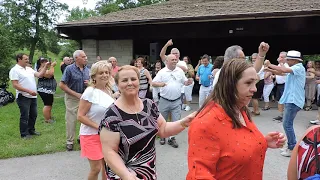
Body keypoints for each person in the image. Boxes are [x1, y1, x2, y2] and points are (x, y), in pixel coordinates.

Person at [187, 59, 286, 180]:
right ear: (230, 84)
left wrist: (262, 143)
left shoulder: (240, 109)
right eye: (248, 83)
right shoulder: (205, 123)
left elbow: (234, 147)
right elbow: (199, 174)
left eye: (255, 83)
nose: (254, 89)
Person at [98, 65, 196, 180]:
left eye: (133, 79)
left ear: (139, 82)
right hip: (123, 176)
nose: (130, 83)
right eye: (124, 80)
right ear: (118, 85)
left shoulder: (149, 105)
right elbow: (109, 152)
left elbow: (163, 129)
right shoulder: (111, 115)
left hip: (148, 172)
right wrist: (126, 175)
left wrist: (184, 122)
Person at [77, 61, 115, 180]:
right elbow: (80, 116)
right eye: (101, 73)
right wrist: (99, 126)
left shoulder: (109, 91)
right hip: (90, 135)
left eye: (107, 72)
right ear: (94, 76)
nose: (104, 75)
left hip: (106, 136)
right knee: (96, 168)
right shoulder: (90, 92)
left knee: (107, 166)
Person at [264, 50, 306, 157]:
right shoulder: (294, 68)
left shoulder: (298, 67)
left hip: (293, 100)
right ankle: (291, 146)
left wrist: (272, 64)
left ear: (293, 60)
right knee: (287, 124)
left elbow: (283, 69)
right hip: (292, 99)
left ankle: (292, 147)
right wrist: (269, 68)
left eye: (288, 59)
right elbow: (281, 72)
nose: (286, 60)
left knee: (287, 124)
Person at [152, 54, 193, 148]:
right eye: (172, 60)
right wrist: (160, 84)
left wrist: (188, 82)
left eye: (175, 60)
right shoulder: (162, 72)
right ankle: (162, 136)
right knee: (162, 120)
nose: (175, 61)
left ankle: (171, 138)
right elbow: (153, 83)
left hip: (176, 101)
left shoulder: (180, 71)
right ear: (167, 61)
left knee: (176, 121)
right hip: (164, 100)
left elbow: (184, 82)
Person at [9, 53, 50, 139]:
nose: (28, 60)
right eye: (26, 59)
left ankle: (31, 130)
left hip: (32, 96)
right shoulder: (15, 70)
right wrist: (28, 91)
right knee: (25, 116)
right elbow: (15, 85)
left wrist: (45, 67)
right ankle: (24, 134)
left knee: (33, 114)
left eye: (27, 59)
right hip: (23, 96)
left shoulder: (29, 69)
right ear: (19, 60)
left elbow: (39, 75)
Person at [59, 50, 90, 151]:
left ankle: (81, 137)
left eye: (86, 56)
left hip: (85, 97)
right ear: (76, 58)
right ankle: (69, 141)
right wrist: (76, 94)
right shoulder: (69, 69)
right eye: (83, 56)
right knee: (71, 119)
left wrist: (89, 84)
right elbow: (62, 85)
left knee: (85, 119)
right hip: (72, 97)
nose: (86, 58)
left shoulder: (87, 70)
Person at [36, 58, 57, 123]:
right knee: (47, 104)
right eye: (43, 62)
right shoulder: (40, 69)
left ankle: (49, 117)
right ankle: (47, 119)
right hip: (44, 90)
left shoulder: (45, 69)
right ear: (40, 63)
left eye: (46, 61)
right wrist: (52, 66)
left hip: (48, 90)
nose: (46, 62)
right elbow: (50, 75)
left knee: (49, 104)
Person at [270, 52, 289, 121]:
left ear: (285, 58)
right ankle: (281, 115)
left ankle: (286, 117)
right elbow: (279, 73)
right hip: (279, 84)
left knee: (285, 101)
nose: (279, 58)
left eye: (281, 57)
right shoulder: (279, 64)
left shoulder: (286, 65)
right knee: (279, 101)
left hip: (285, 85)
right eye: (279, 56)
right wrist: (274, 76)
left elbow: (284, 73)